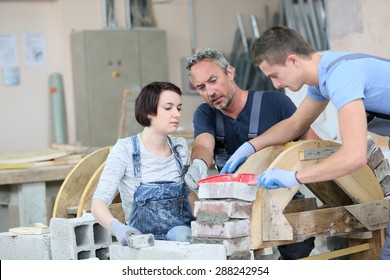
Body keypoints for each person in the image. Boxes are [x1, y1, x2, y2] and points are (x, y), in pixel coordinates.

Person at [227, 25, 390, 259]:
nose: (275, 85)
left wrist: (294, 177)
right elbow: (295, 124)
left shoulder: (341, 76)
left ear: (293, 60)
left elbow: (354, 156)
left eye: (274, 75)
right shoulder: (323, 75)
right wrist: (251, 146)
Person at [183, 48, 320, 259]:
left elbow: (313, 147)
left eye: (213, 81)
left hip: (283, 201)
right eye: (201, 87)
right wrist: (199, 164)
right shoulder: (206, 113)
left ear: (230, 72)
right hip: (235, 207)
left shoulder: (275, 103)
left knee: (298, 253)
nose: (209, 92)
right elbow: (204, 144)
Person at [91, 81, 194, 246]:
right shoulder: (125, 149)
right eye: (168, 108)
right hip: (142, 245)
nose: (176, 114)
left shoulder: (180, 148)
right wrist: (117, 228)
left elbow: (190, 197)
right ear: (148, 113)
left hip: (182, 244)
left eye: (178, 108)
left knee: (181, 234)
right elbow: (98, 203)